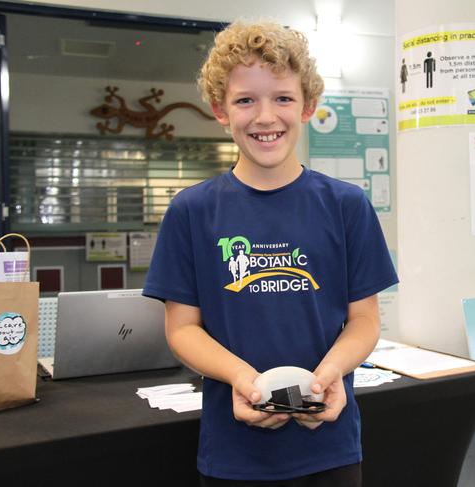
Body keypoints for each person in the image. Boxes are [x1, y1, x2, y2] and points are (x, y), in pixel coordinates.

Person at [143, 20, 398, 486]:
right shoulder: (191, 212)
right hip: (233, 452)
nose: (265, 117)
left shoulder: (347, 206)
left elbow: (364, 319)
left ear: (308, 107)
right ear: (221, 110)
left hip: (330, 445)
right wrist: (243, 379)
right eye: (246, 100)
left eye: (282, 98)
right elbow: (182, 329)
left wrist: (330, 375)